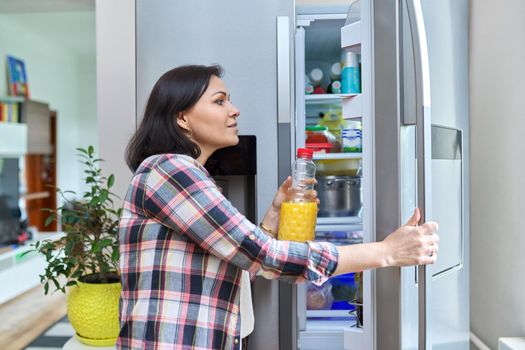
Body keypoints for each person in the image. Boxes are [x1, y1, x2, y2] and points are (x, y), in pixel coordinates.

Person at [117, 65, 439, 350]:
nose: (235, 110)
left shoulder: (190, 177)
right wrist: (386, 252)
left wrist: (273, 214)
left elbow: (243, 267)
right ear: (182, 117)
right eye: (220, 101)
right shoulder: (171, 171)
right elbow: (266, 256)